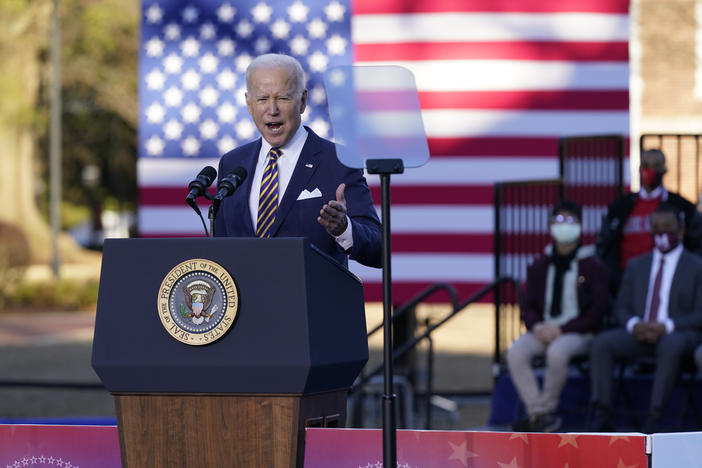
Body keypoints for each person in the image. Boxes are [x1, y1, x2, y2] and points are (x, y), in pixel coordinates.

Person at [214, 54, 382, 268]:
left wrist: (343, 228)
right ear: (249, 103)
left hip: (310, 300)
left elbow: (379, 250)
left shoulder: (338, 162)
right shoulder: (232, 164)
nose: (272, 110)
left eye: (283, 98)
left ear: (302, 101)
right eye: (262, 99)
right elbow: (220, 248)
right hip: (247, 300)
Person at [589, 203, 702, 433]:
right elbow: (621, 308)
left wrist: (666, 326)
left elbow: (699, 315)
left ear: (680, 230)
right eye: (656, 228)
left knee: (670, 345)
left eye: (668, 227)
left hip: (677, 334)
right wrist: (634, 324)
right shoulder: (636, 265)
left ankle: (654, 419)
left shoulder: (697, 266)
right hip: (639, 334)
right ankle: (602, 416)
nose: (662, 233)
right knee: (602, 343)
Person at [507, 200, 610, 432]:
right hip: (544, 329)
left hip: (579, 332)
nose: (564, 226)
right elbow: (528, 305)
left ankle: (546, 410)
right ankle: (539, 413)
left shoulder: (593, 265)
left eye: (570, 221)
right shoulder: (540, 265)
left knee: (557, 352)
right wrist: (537, 326)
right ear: (550, 226)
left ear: (581, 226)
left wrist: (563, 330)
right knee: (516, 352)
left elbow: (598, 309)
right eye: (559, 221)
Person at [596, 149, 702, 291]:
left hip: (669, 280)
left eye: (656, 166)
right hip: (626, 281)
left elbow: (696, 242)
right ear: (640, 169)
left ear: (664, 170)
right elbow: (605, 243)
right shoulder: (620, 207)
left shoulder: (681, 206)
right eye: (646, 165)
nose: (650, 170)